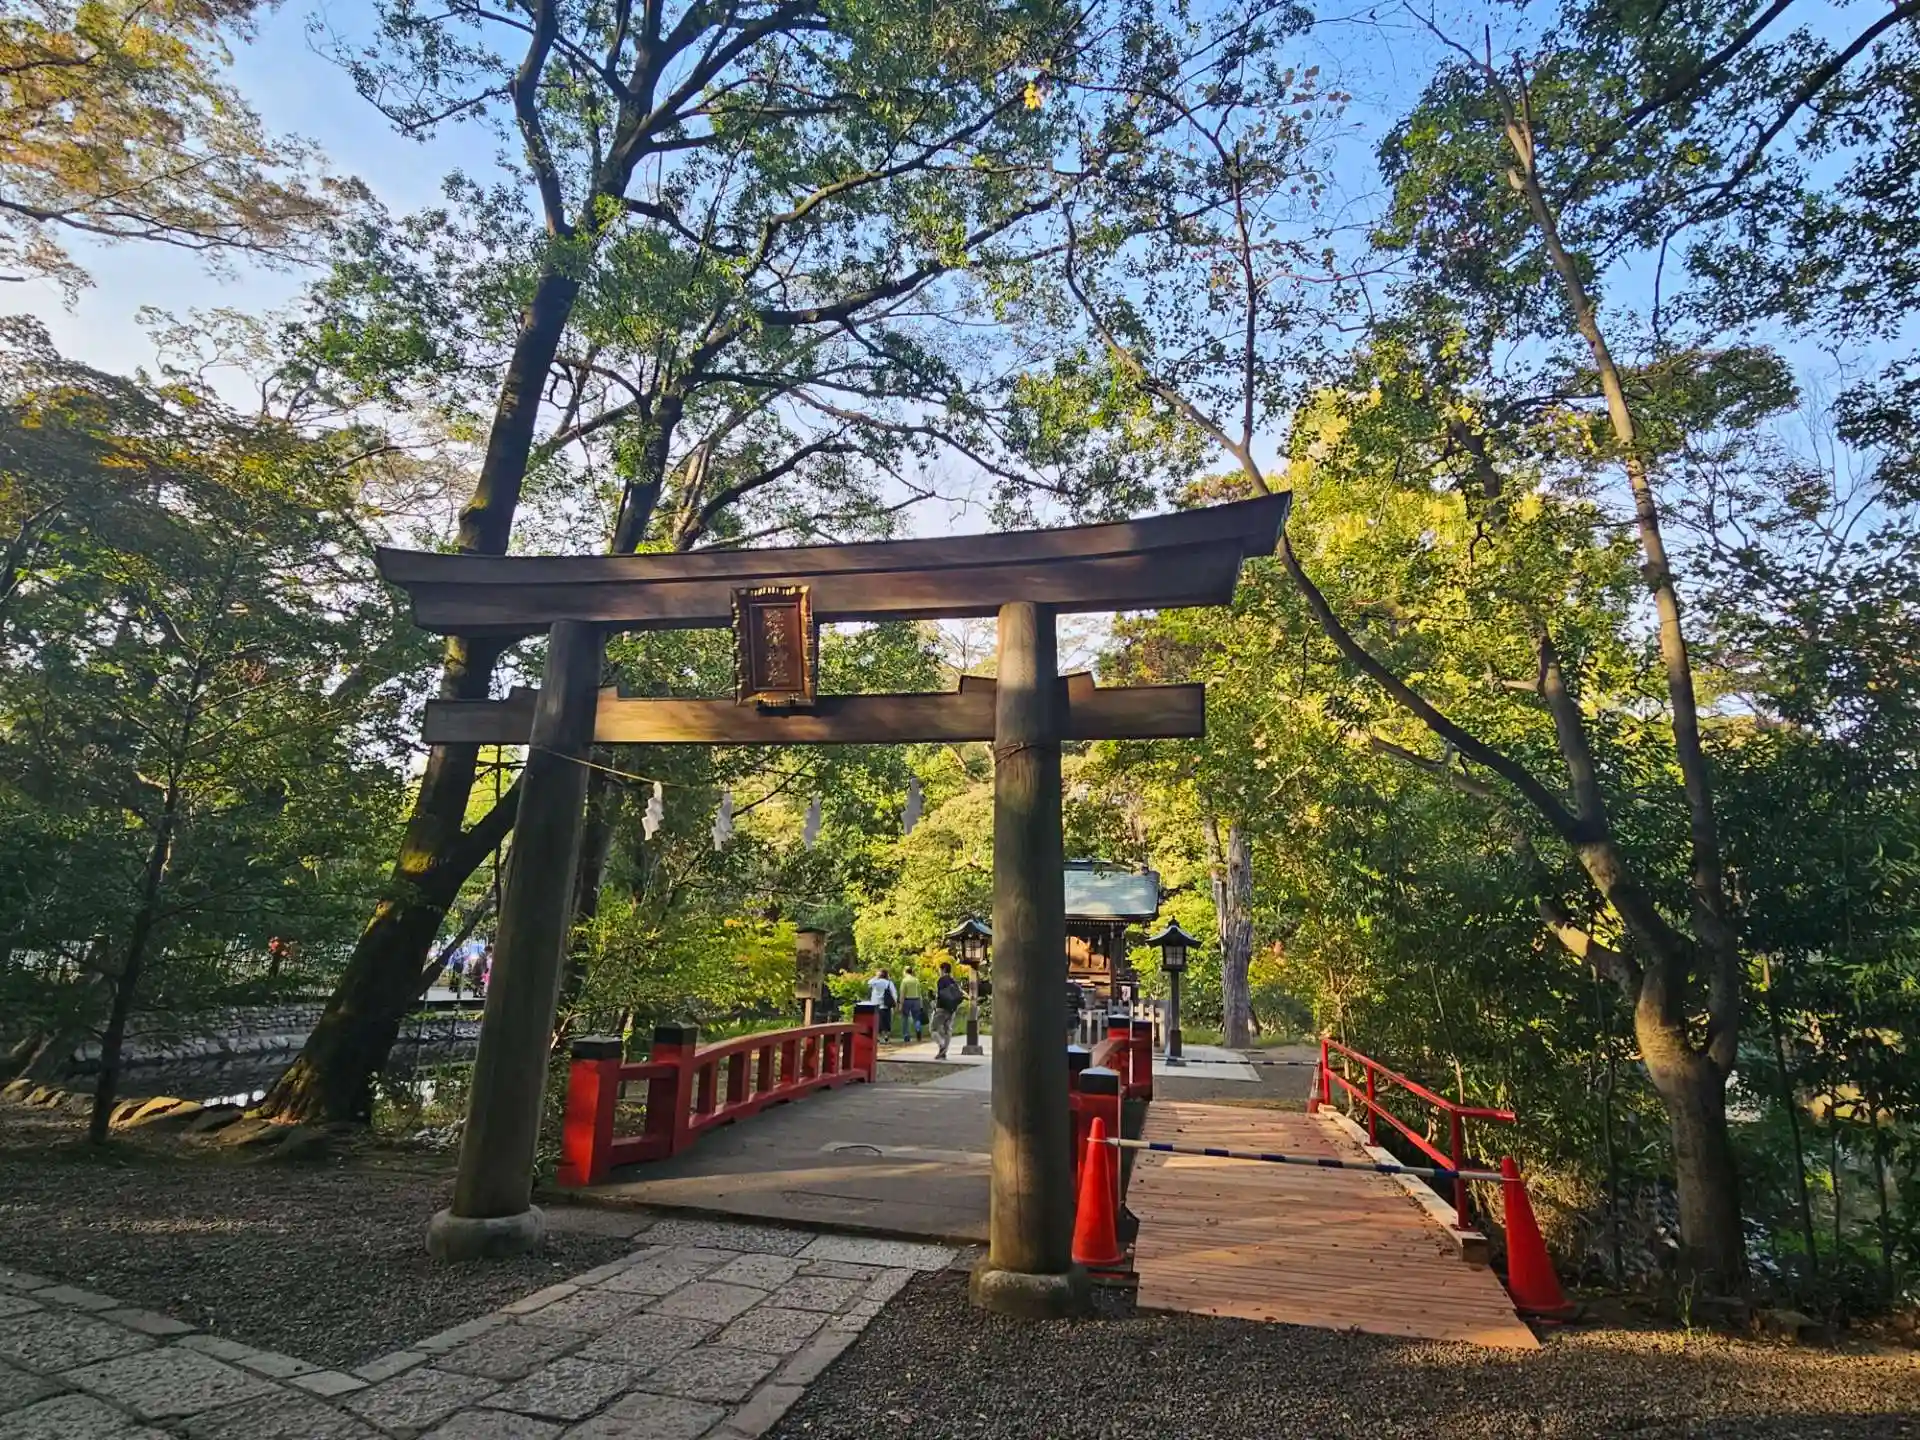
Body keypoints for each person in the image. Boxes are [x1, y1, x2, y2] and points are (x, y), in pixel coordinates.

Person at [931, 962, 965, 1060]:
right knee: (947, 1030)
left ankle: (941, 1045)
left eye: (940, 969)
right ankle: (944, 1052)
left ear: (943, 969)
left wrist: (935, 1004)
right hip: (952, 1009)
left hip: (942, 1008)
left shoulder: (941, 980)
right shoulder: (953, 981)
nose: (939, 971)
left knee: (933, 1029)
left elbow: (940, 995)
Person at [865, 967, 898, 1041]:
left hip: (876, 1004)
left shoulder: (876, 982)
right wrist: (895, 1003)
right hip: (886, 1005)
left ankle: (878, 1037)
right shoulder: (889, 983)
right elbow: (894, 993)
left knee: (877, 1022)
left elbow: (869, 982)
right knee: (886, 1021)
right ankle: (886, 1036)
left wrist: (876, 977)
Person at [899, 968, 926, 1042]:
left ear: (905, 972)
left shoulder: (904, 981)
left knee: (905, 1018)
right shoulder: (916, 980)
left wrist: (901, 1004)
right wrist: (921, 1004)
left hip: (907, 1001)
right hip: (916, 1000)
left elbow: (902, 993)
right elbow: (919, 993)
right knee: (917, 1018)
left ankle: (906, 1035)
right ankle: (918, 1030)